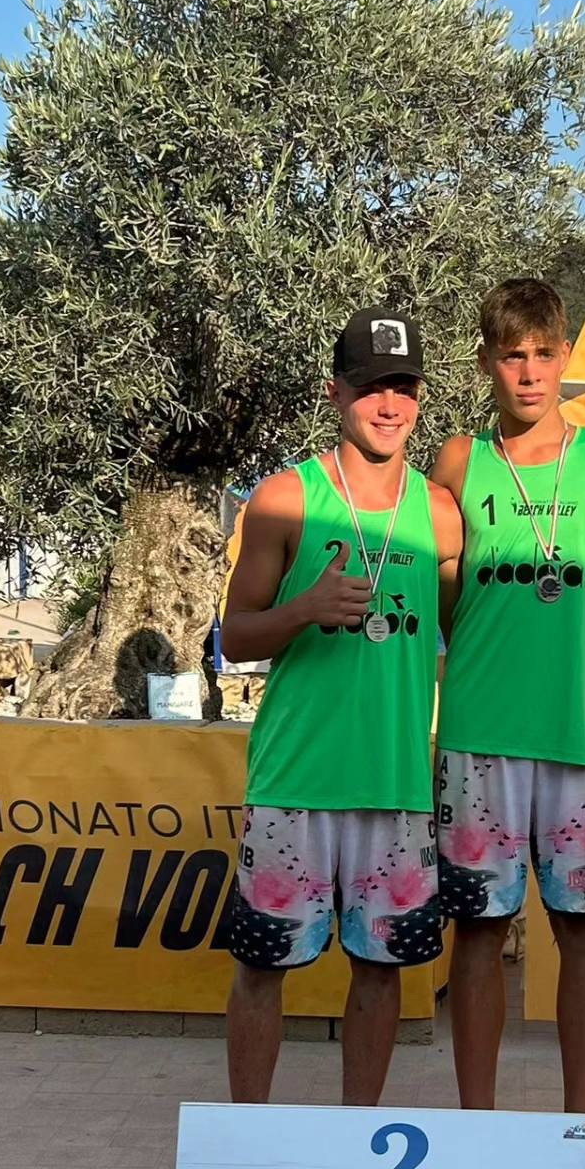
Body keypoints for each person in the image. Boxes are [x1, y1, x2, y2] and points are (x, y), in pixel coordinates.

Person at [221, 307, 461, 1105]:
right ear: (335, 393)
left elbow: (471, 630)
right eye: (370, 388)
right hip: (296, 781)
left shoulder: (441, 514)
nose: (389, 405)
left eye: (404, 388)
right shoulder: (286, 498)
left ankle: (360, 1137)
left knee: (382, 973)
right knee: (262, 970)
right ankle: (248, 1136)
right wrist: (304, 610)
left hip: (395, 785)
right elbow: (235, 636)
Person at [431, 278, 585, 1114]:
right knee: (480, 931)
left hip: (579, 735)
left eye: (542, 354)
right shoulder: (459, 462)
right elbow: (447, 602)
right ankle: (477, 1124)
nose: (528, 373)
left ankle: (581, 1127)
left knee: (584, 930)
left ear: (565, 356)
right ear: (486, 363)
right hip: (480, 735)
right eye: (510, 356)